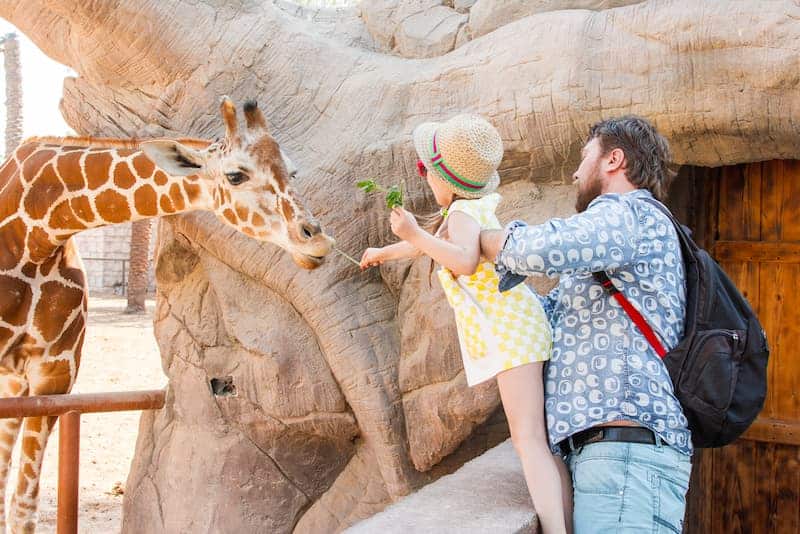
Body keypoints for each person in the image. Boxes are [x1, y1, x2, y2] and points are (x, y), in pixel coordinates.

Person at [480, 116, 692, 533]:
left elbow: (535, 250)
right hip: (611, 460)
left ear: (614, 159)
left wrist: (478, 237)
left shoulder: (628, 214)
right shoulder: (614, 248)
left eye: (584, 157)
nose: (577, 172)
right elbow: (540, 319)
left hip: (626, 461)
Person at [360, 114, 569, 534]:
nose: (425, 180)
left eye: (427, 171)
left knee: (528, 441)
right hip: (521, 328)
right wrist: (385, 250)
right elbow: (437, 245)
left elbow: (464, 260)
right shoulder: (466, 209)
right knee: (538, 442)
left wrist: (415, 234)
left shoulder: (460, 215)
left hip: (513, 335)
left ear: (445, 178)